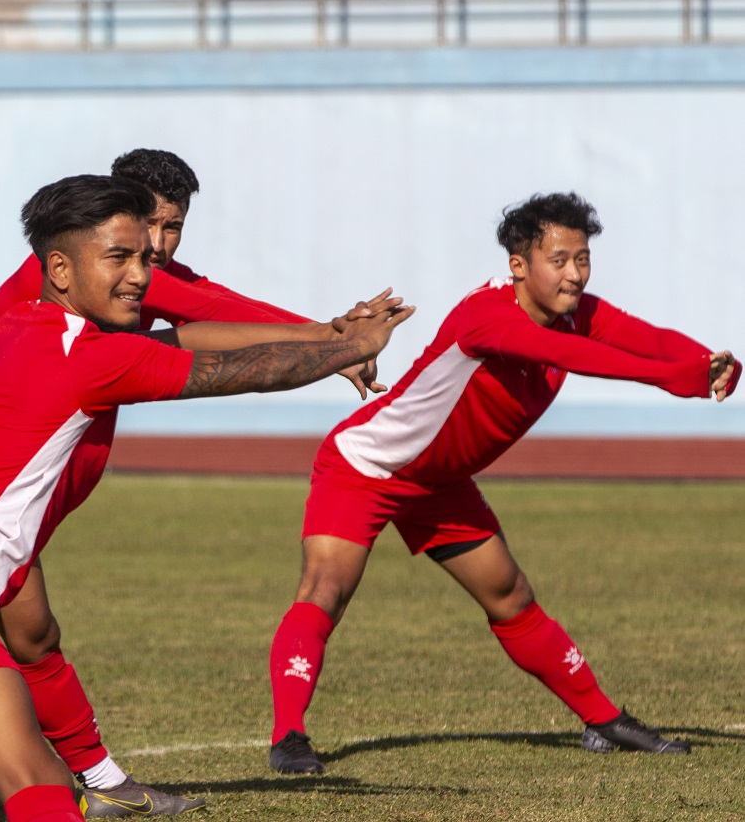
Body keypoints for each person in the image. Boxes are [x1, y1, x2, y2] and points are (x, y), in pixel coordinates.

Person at [0, 174, 413, 822]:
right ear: (60, 268)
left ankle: (3, 787)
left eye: (145, 256)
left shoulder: (20, 323)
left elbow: (184, 337)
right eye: (121, 258)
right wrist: (350, 347)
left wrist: (322, 339)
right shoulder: (94, 359)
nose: (141, 275)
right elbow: (236, 373)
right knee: (43, 790)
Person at [264, 191, 739, 775]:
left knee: (511, 596)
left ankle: (603, 720)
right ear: (520, 266)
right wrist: (676, 379)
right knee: (324, 593)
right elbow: (571, 354)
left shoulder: (575, 312)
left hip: (441, 483)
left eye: (583, 259)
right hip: (367, 467)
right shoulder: (489, 316)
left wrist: (706, 361)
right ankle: (288, 739)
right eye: (560, 260)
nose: (575, 274)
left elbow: (644, 337)